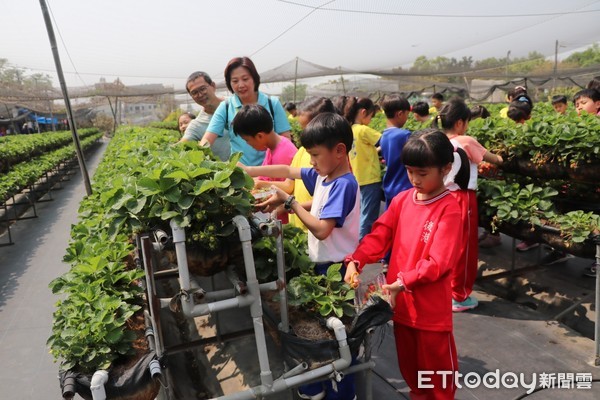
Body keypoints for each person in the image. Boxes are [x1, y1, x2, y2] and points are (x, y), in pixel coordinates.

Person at [241, 112, 359, 400]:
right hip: (320, 265)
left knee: (337, 337)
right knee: (318, 332)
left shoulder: (344, 184)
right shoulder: (326, 175)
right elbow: (290, 172)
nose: (312, 163)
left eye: (315, 155)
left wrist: (290, 201)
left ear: (340, 151)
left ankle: (343, 393)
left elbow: (321, 229)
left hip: (335, 269)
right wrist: (249, 172)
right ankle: (317, 385)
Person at [344, 130, 462, 400]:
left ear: (445, 168)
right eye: (410, 171)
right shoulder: (401, 201)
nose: (415, 179)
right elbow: (378, 236)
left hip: (429, 311)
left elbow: (438, 263)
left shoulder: (449, 208)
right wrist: (356, 261)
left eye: (422, 173)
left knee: (438, 376)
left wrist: (401, 283)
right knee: (412, 371)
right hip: (401, 306)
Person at [434, 98, 503, 312]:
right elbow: (495, 159)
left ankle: (443, 289)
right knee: (464, 248)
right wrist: (501, 155)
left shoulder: (437, 140)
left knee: (444, 245)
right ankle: (459, 296)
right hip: (462, 198)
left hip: (440, 196)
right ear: (460, 123)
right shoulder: (465, 140)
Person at [200, 56, 291, 166]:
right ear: (229, 83)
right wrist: (198, 158)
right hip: (241, 177)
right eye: (235, 81)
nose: (241, 85)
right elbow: (207, 140)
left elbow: (285, 141)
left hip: (272, 173)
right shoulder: (226, 107)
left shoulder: (272, 103)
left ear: (254, 78)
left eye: (245, 79)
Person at [232, 104, 298, 223]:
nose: (248, 144)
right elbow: (265, 179)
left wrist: (260, 184)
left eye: (247, 140)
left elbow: (290, 188)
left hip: (284, 221)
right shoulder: (271, 148)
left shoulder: (285, 152)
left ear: (260, 136)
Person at [344, 97, 382, 239]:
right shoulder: (364, 130)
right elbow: (385, 141)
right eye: (371, 116)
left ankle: (356, 242)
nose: (371, 120)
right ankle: (362, 246)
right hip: (370, 178)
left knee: (360, 214)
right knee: (369, 216)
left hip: (357, 178)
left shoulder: (350, 130)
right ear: (363, 112)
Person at [178, 71, 230, 161]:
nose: (200, 95)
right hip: (230, 173)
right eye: (194, 92)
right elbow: (179, 146)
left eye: (202, 89)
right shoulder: (196, 125)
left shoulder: (235, 103)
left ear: (213, 86)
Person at [379, 94, 412, 208]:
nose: (407, 118)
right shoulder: (404, 135)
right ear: (399, 114)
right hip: (404, 186)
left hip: (390, 185)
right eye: (407, 115)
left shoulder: (384, 136)